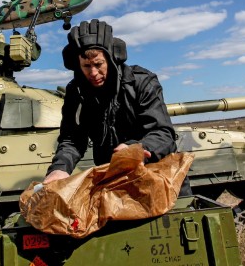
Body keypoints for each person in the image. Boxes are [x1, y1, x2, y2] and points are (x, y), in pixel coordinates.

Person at [43, 19, 191, 196]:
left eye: (98, 64)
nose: (93, 73)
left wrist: (135, 149)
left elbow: (163, 134)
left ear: (112, 58)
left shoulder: (142, 82)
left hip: (162, 182)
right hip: (116, 187)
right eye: (86, 66)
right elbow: (72, 139)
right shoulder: (76, 92)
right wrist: (60, 168)